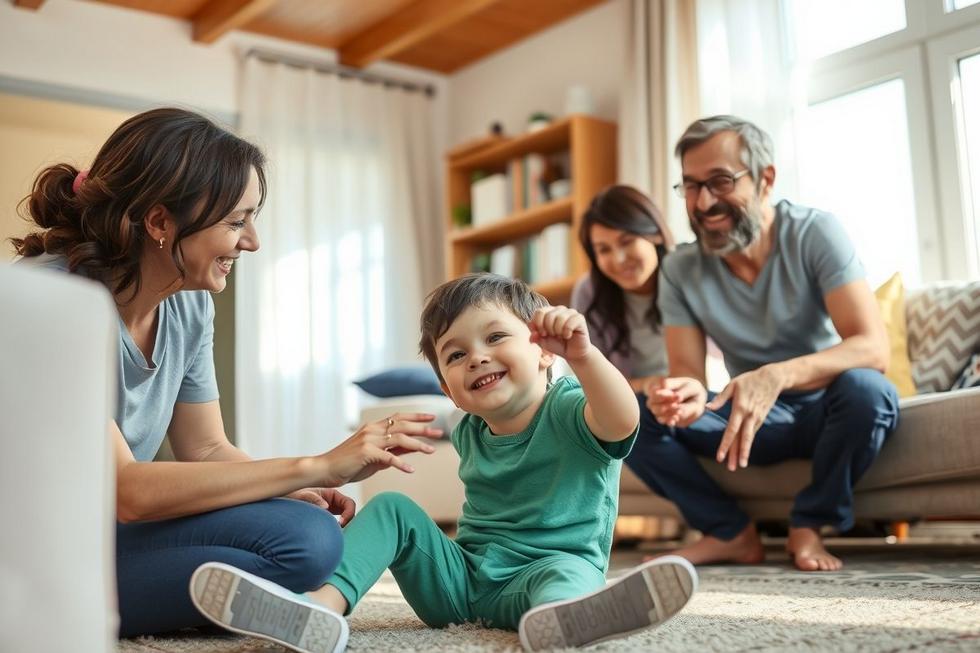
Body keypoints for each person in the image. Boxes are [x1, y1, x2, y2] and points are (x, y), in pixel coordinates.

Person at [11, 107, 441, 644]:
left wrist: (293, 487)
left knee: (311, 537)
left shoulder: (188, 305)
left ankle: (202, 598)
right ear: (160, 223)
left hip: (106, 532)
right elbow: (127, 491)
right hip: (34, 548)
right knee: (288, 546)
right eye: (236, 222)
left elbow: (208, 449)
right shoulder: (50, 303)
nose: (252, 241)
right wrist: (318, 465)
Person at [191, 273, 697, 653]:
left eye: (495, 338)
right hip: (463, 581)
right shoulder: (470, 427)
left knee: (567, 574)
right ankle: (319, 610)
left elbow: (623, 420)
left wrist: (584, 358)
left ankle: (565, 621)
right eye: (455, 355)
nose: (476, 357)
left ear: (544, 352)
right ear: (447, 390)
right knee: (392, 506)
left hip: (545, 574)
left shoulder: (571, 407)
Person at [628, 115, 900, 572]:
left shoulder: (814, 232)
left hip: (825, 408)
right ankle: (730, 533)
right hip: (748, 418)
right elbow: (688, 375)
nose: (704, 202)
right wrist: (683, 396)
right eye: (691, 186)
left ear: (765, 179)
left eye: (720, 181)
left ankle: (809, 524)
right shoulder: (679, 269)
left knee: (868, 391)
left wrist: (776, 376)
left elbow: (872, 348)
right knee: (631, 415)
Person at [571, 184, 676, 395]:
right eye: (604, 250)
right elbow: (594, 382)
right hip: (627, 401)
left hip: (688, 394)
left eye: (627, 241)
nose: (619, 259)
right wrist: (648, 385)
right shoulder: (589, 294)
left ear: (655, 234)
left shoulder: (684, 276)